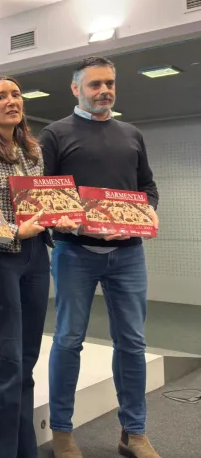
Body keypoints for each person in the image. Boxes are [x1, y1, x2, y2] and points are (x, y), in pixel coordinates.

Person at [39, 56, 161, 458]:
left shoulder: (131, 133)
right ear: (76, 89)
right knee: (68, 341)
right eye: (95, 84)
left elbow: (147, 188)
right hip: (74, 252)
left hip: (128, 255)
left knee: (132, 343)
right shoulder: (55, 134)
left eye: (109, 83)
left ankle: (134, 433)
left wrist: (146, 214)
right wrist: (76, 226)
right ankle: (62, 431)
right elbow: (44, 195)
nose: (104, 90)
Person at [0, 75, 78, 458]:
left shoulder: (33, 150)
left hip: (36, 256)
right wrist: (15, 231)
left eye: (16, 94)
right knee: (6, 360)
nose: (12, 101)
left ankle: (23, 450)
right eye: (1, 97)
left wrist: (59, 218)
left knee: (25, 361)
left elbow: (39, 205)